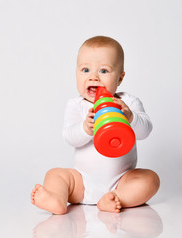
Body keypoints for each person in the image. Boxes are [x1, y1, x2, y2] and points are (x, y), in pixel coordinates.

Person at [31, 36, 160, 214]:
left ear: (120, 78)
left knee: (150, 179)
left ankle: (116, 198)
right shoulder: (77, 105)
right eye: (85, 70)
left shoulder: (127, 102)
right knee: (55, 174)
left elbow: (145, 131)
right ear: (76, 73)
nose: (93, 77)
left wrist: (130, 117)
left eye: (104, 71)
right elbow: (69, 137)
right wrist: (85, 129)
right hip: (82, 182)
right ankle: (57, 198)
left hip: (121, 180)